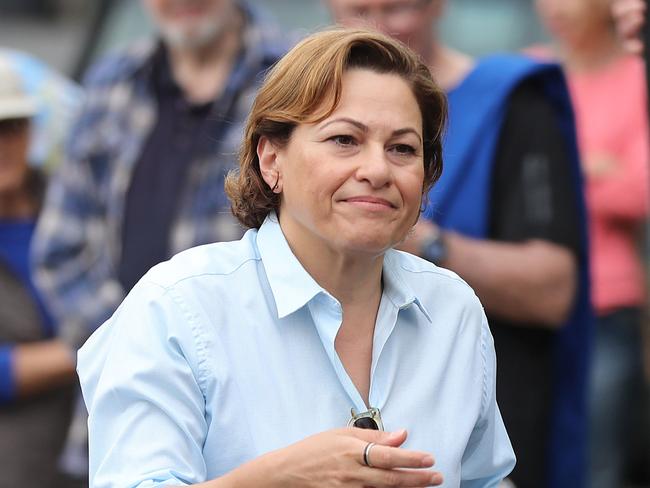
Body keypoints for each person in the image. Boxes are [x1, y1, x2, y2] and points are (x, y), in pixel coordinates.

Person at [78, 28, 516, 487]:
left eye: (403, 148)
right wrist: (277, 478)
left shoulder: (452, 309)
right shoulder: (178, 306)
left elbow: (483, 480)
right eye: (345, 139)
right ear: (271, 160)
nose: (377, 170)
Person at [326, 1, 591, 487]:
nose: (378, 27)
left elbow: (553, 288)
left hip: (492, 404)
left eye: (396, 8)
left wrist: (417, 242)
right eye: (358, 10)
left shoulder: (511, 102)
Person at [31, 0, 285, 479]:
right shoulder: (112, 80)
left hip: (259, 411)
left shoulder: (296, 75)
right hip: (120, 410)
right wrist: (144, 349)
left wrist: (205, 356)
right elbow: (61, 252)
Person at [531, 2, 649, 487]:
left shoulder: (635, 76)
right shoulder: (531, 71)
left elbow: (638, 191)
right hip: (529, 296)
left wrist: (561, 166)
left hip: (606, 301)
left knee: (597, 461)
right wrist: (592, 165)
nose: (555, 8)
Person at [0, 58, 77, 487]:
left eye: (11, 126)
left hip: (93, 447)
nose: (2, 143)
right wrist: (87, 350)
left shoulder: (76, 201)